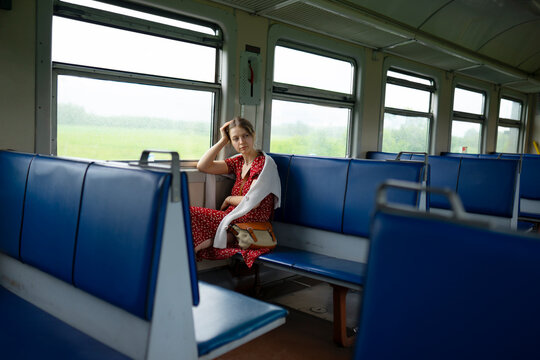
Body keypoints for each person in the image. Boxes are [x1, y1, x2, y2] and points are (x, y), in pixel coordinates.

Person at [190, 117, 281, 268]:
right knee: (192, 224)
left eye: (245, 136)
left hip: (251, 217)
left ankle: (223, 240)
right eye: (235, 138)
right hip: (235, 214)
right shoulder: (238, 162)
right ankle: (224, 239)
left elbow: (253, 201)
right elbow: (203, 166)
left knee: (191, 213)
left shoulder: (262, 164)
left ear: (253, 135)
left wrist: (228, 199)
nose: (241, 142)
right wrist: (223, 141)